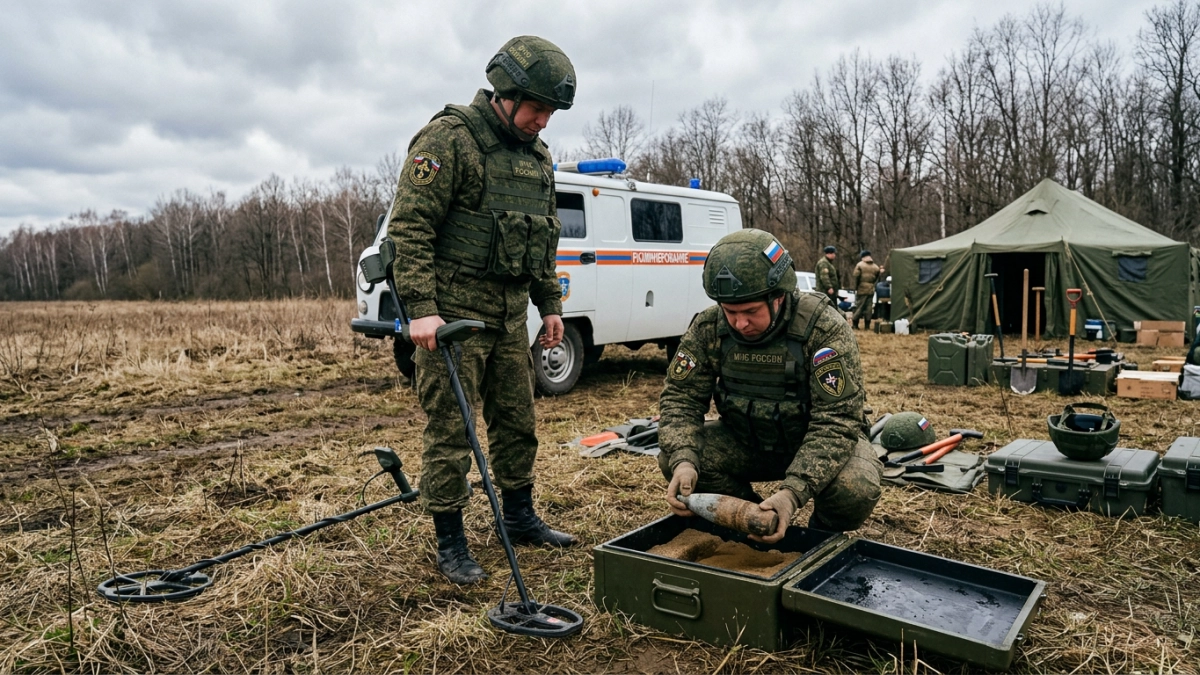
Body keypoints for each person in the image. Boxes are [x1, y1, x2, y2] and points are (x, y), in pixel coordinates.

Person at [387, 36, 578, 585]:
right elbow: (410, 231)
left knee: (518, 423)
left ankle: (518, 517)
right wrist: (422, 310)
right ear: (506, 94)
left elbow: (542, 240)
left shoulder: (537, 158)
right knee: (453, 430)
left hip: (510, 317)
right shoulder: (450, 139)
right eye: (537, 108)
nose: (543, 121)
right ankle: (451, 540)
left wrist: (549, 305)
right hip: (453, 320)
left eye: (551, 112)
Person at [657, 229, 883, 542]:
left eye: (751, 311)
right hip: (747, 441)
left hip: (812, 442)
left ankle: (817, 538)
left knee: (854, 487)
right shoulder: (708, 327)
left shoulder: (822, 328)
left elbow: (837, 420)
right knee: (677, 457)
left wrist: (793, 493)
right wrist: (684, 459)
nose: (740, 323)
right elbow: (680, 398)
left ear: (778, 297)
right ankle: (752, 520)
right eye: (730, 311)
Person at [851, 251, 883, 330]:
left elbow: (856, 277)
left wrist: (855, 288)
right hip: (871, 289)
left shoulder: (859, 265)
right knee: (869, 308)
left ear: (863, 257)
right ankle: (867, 325)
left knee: (859, 307)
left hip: (861, 289)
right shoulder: (875, 267)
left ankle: (855, 324)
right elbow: (877, 279)